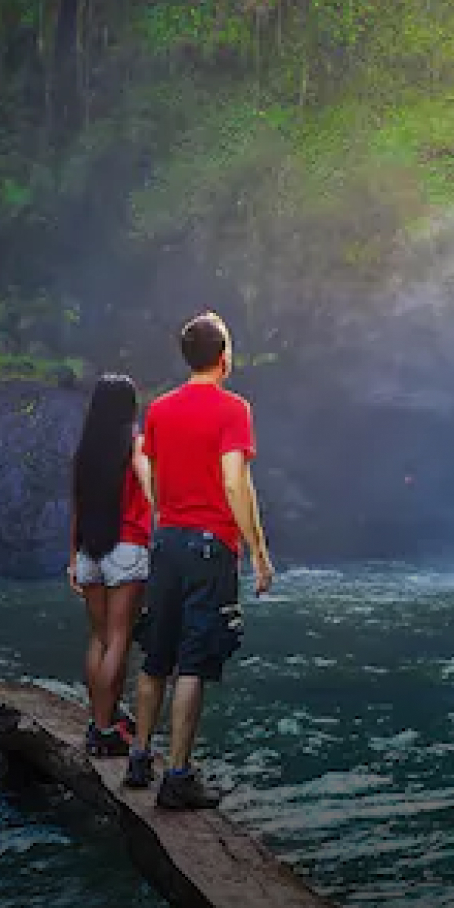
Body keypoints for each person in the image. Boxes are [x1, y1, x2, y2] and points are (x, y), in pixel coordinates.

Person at [124, 310, 274, 809]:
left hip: (166, 541)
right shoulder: (234, 409)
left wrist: (164, 513)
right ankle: (179, 776)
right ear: (224, 355)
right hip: (211, 546)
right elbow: (235, 480)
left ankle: (140, 758)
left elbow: (149, 467)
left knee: (156, 655)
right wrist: (258, 549)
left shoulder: (161, 410)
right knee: (193, 661)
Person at [68, 374, 154, 757]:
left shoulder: (86, 451)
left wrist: (72, 557)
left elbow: (78, 507)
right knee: (120, 640)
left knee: (99, 638)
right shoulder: (135, 445)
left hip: (90, 551)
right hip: (127, 548)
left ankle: (98, 719)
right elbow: (149, 485)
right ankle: (105, 730)